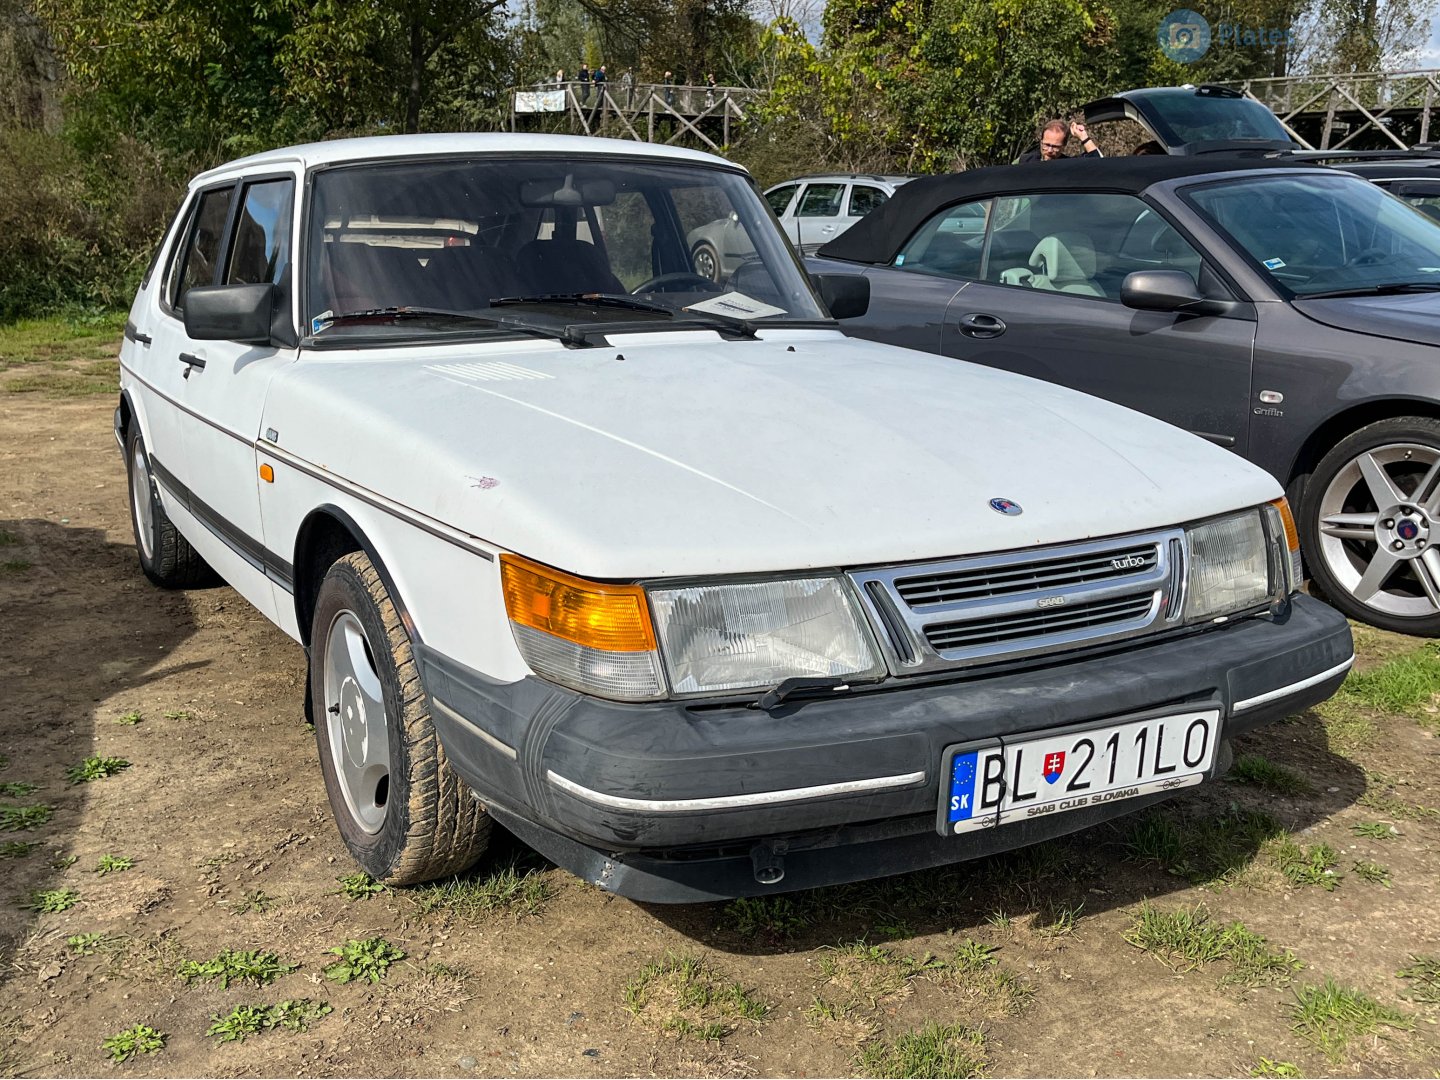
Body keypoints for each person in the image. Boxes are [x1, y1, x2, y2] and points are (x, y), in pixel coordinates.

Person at [1018, 119, 1100, 163]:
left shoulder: (1068, 164)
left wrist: (1083, 136)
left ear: (1063, 146)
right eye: (1046, 145)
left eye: (1055, 147)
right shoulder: (1025, 161)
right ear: (1041, 141)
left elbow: (1097, 161)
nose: (1050, 150)